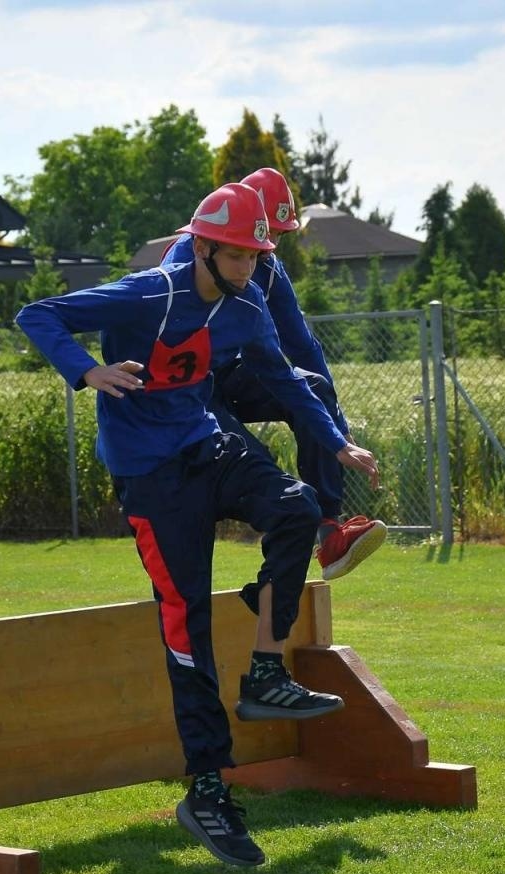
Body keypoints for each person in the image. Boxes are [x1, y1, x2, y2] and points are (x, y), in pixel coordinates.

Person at [17, 181, 380, 868]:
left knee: (297, 507)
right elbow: (38, 314)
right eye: (237, 256)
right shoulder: (150, 292)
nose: (250, 268)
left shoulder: (246, 305)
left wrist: (336, 443)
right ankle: (209, 791)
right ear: (203, 247)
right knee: (189, 632)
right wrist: (88, 372)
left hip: (208, 447)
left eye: (256, 256)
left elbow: (287, 379)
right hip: (151, 480)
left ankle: (266, 673)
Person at [161, 167, 386, 580]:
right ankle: (268, 571)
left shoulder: (267, 267)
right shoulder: (186, 258)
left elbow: (302, 346)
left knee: (314, 389)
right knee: (254, 466)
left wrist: (336, 430)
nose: (271, 246)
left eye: (279, 235)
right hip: (189, 388)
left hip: (233, 373)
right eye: (269, 232)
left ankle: (330, 532)